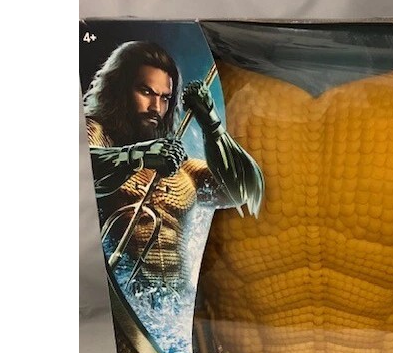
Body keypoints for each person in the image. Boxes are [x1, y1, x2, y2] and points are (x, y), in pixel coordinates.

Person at [84, 41, 263, 295]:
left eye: (165, 98)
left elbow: (245, 190)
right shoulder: (96, 134)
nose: (156, 108)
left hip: (174, 308)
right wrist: (138, 156)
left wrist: (211, 124)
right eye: (146, 92)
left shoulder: (183, 169)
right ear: (119, 90)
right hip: (116, 301)